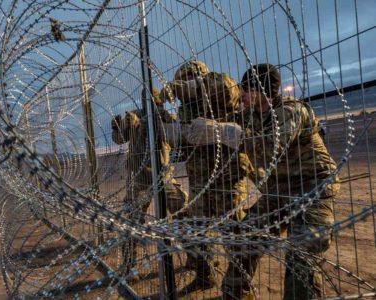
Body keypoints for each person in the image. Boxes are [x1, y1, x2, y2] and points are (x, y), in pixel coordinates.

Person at [222, 64, 340, 300]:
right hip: (280, 191)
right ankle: (235, 295)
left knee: (301, 254)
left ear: (258, 90)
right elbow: (224, 123)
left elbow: (271, 146)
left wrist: (233, 135)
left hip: (314, 188)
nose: (241, 94)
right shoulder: (251, 113)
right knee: (244, 240)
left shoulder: (290, 111)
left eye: (245, 88)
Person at [162, 61, 253, 291]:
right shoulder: (186, 109)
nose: (181, 92)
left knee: (234, 236)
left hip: (226, 177)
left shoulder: (218, 88)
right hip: (199, 181)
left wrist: (186, 87)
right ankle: (205, 276)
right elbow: (184, 148)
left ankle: (239, 288)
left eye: (186, 80)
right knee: (195, 231)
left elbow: (226, 87)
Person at [111, 88, 188, 279]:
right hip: (139, 180)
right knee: (131, 221)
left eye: (155, 101)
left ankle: (196, 258)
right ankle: (129, 268)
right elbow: (120, 138)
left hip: (162, 177)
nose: (153, 104)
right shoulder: (134, 117)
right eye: (149, 100)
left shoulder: (165, 118)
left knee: (184, 212)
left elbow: (177, 137)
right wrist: (117, 128)